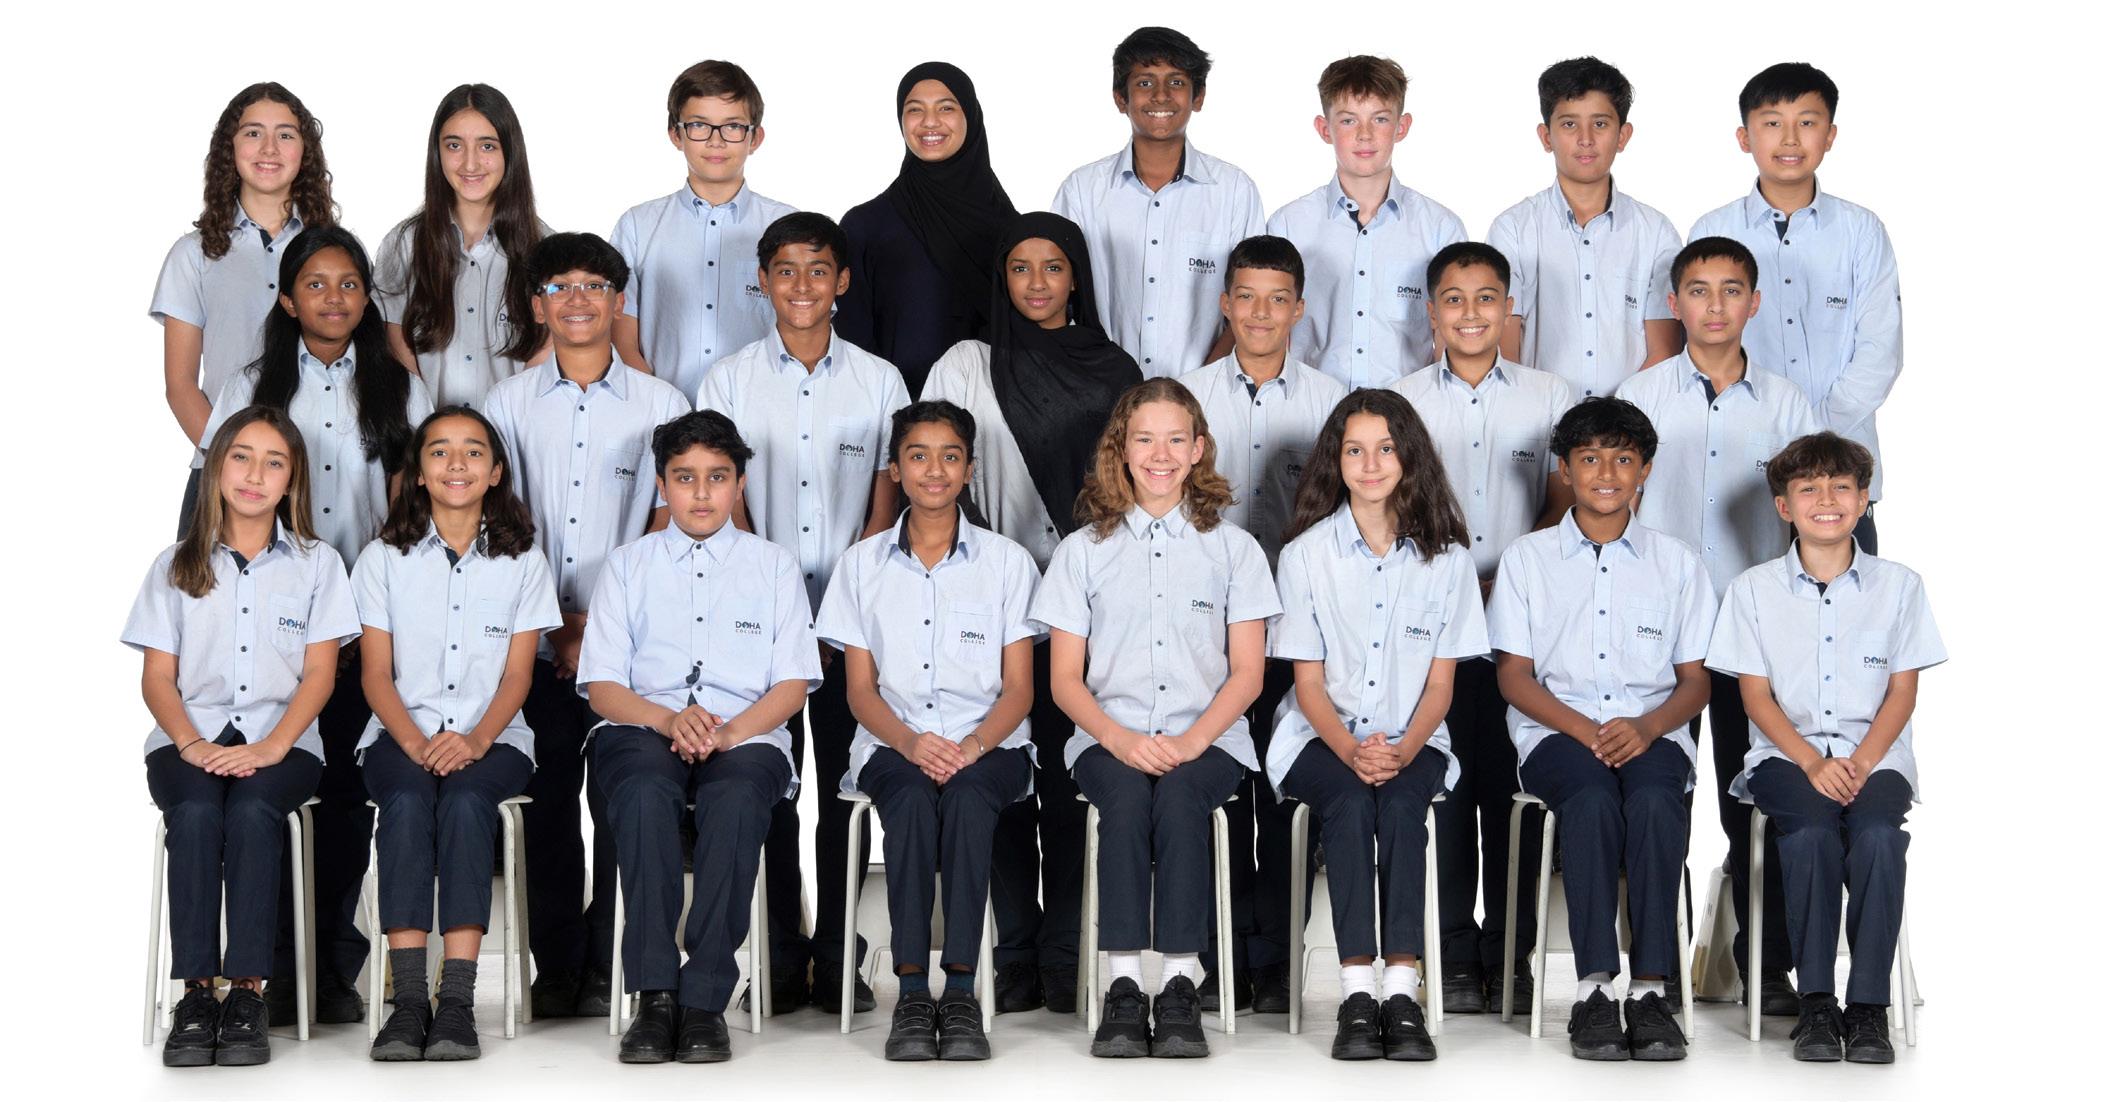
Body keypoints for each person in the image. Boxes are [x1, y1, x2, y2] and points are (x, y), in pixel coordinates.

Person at [196, 223, 435, 1024]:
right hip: (271, 616)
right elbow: (209, 495)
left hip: (364, 619)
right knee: (264, 793)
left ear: (368, 298)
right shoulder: (250, 383)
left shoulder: (397, 384)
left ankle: (332, 966)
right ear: (288, 298)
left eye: (349, 284)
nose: (334, 298)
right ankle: (262, 968)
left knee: (342, 800)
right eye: (315, 284)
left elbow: (420, 499)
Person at [923, 211, 1142, 1014]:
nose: (1037, 283)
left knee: (1073, 778)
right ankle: (1012, 950)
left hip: (1090, 602)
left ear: (1076, 276)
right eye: (1020, 268)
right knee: (1004, 772)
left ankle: (1066, 952)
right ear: (1000, 279)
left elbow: (1134, 484)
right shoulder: (966, 363)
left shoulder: (1112, 366)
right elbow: (934, 470)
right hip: (991, 597)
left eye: (1054, 266)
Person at [1030, 378, 1281, 1058]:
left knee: (1177, 801)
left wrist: (1193, 740)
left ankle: (1176, 985)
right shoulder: (1083, 550)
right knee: (1123, 801)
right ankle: (1121, 986)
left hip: (1210, 738)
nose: (1160, 454)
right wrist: (1119, 739)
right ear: (1121, 448)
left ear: (1198, 448)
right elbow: (1063, 680)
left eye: (1175, 439)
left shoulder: (1234, 551)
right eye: (1144, 439)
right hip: (1106, 735)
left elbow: (1248, 673)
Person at [696, 211, 909, 1012]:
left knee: (844, 793)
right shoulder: (728, 380)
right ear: (762, 281)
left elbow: (885, 502)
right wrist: (790, 615)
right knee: (774, 792)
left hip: (854, 624)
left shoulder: (879, 380)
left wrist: (840, 616)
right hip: (761, 623)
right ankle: (781, 956)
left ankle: (838, 958)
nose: (801, 285)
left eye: (818, 269)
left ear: (841, 281)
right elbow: (728, 502)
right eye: (784, 270)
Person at [483, 232, 691, 1019]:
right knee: (544, 804)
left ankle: (610, 959)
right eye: (560, 286)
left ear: (618, 301)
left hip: (627, 649)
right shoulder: (506, 404)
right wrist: (553, 626)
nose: (577, 300)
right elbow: (497, 520)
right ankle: (558, 965)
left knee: (621, 804)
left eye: (594, 286)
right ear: (539, 305)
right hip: (529, 645)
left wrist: (593, 628)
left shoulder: (661, 404)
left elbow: (666, 527)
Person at [1616, 235, 1821, 1012]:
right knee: (1657, 799)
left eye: (1730, 290)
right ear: (1674, 303)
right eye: (1697, 290)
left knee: (1754, 799)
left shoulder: (1785, 404)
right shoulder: (1640, 395)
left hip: (1750, 635)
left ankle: (1764, 966)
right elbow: (1609, 507)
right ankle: (1657, 968)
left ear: (1753, 302)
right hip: (1656, 634)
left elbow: (1809, 520)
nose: (1713, 305)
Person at [581, 411, 823, 1063]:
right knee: (642, 793)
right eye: (684, 477)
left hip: (746, 734)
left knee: (736, 800)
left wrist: (728, 731)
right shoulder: (626, 566)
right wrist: (667, 720)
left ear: (740, 484)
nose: (701, 493)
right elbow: (601, 686)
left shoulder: (774, 567)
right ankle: (656, 996)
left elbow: (792, 685)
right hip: (642, 726)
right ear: (661, 485)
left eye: (717, 477)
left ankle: (704, 1000)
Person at [129, 407, 359, 1067]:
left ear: (292, 480)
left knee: (255, 811)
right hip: (188, 737)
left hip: (284, 741)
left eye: (274, 462)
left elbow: (320, 674)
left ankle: (249, 993)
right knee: (198, 812)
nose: (255, 475)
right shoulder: (175, 564)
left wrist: (274, 746)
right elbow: (158, 678)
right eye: (241, 457)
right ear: (217, 468)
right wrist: (189, 744)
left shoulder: (318, 564)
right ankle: (197, 994)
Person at [1486, 398, 1714, 1061]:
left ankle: (1649, 990)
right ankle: (1592, 990)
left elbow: (1695, 680)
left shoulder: (1677, 563)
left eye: (1622, 459)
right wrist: (1587, 730)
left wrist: (1647, 727)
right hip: (1556, 731)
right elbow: (1514, 676)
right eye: (1589, 459)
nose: (1606, 473)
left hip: (1653, 731)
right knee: (1588, 800)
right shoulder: (1527, 559)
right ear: (1564, 470)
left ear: (1645, 470)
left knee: (1654, 803)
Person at [1708, 431, 1944, 1064]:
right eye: (1808, 488)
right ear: (1783, 506)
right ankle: (1815, 1001)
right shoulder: (1752, 590)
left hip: (1876, 757)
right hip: (1787, 757)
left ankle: (1867, 1008)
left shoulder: (1900, 587)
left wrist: (1860, 763)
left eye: (1841, 487)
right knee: (1810, 834)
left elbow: (1902, 692)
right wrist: (1812, 761)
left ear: (1864, 500)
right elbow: (1755, 696)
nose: (1827, 500)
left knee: (1877, 837)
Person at [816, 401, 1042, 1060]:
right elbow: (859, 691)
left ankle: (962, 992)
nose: (934, 469)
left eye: (950, 456)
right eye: (918, 455)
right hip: (894, 741)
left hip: (990, 743)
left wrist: (971, 746)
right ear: (894, 468)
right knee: (912, 801)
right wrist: (912, 743)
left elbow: (1019, 688)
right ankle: (913, 992)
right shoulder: (861, 566)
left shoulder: (1008, 563)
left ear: (969, 468)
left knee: (968, 800)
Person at [1269, 388, 1486, 1060]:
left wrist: (1400, 751)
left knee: (1399, 805)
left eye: (1386, 449)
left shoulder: (1447, 560)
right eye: (1355, 450)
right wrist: (1351, 750)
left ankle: (1401, 991)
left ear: (1409, 456)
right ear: (1335, 461)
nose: (1370, 465)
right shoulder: (1305, 555)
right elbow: (1307, 684)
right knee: (1347, 801)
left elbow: (1441, 685)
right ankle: (1357, 995)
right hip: (1319, 736)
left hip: (1413, 736)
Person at [1396, 241, 1574, 1015]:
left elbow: (1566, 496)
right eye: (1453, 299)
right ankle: (1452, 957)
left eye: (1485, 298)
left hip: (1518, 624)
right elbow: (1386, 500)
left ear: (1507, 309)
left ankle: (1511, 956)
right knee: (1444, 786)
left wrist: (1516, 573)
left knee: (1511, 791)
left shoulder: (1548, 394)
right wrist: (1446, 580)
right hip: (1429, 623)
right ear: (1431, 312)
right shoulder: (1399, 400)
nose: (1470, 313)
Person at [354, 407, 561, 1060]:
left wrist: (474, 741)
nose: (456, 464)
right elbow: (375, 673)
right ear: (418, 473)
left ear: (495, 472)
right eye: (439, 451)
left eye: (473, 451)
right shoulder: (382, 559)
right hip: (399, 734)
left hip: (495, 738)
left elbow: (519, 676)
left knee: (469, 802)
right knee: (407, 799)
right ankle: (410, 1000)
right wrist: (415, 743)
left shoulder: (523, 561)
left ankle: (457, 1003)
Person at [1179, 233, 1344, 1010]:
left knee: (1283, 795)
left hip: (1295, 628)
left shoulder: (1331, 403)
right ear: (1224, 304)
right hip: (1202, 629)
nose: (1259, 313)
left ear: (1299, 309)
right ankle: (1220, 958)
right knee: (1217, 790)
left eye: (1277, 299)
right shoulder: (1181, 399)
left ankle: (1276, 959)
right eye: (1245, 297)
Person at [1690, 63, 1901, 552]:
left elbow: (1880, 353)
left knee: (1842, 598)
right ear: (1745, 137)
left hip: (1839, 479)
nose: (1789, 138)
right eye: (1772, 123)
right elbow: (1702, 347)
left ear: (1830, 135)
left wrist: (1810, 441)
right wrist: (1769, 436)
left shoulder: (1861, 232)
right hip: (1740, 477)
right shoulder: (1713, 230)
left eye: (1806, 122)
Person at [152, 83, 337, 534]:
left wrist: (289, 473)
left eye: (285, 135)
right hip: (222, 478)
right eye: (253, 133)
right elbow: (180, 385)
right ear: (229, 148)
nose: (269, 148)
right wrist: (234, 466)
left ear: (305, 151)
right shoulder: (193, 255)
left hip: (317, 474)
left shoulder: (335, 254)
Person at [1053, 26, 1264, 376]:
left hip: (1202, 393)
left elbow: (1252, 301)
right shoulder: (1081, 191)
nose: (1161, 95)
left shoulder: (1234, 191)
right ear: (1121, 99)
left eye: (1176, 82)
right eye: (1145, 82)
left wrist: (1202, 386)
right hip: (1098, 388)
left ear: (1198, 97)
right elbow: (1058, 297)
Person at [1488, 57, 1683, 399]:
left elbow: (1664, 351)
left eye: (1600, 124)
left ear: (1623, 135)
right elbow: (1505, 348)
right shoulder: (1513, 229)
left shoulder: (1656, 233)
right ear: (1546, 136)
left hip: (1630, 423)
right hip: (1538, 418)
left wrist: (1614, 420)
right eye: (1569, 124)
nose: (1586, 139)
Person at [1267, 55, 1463, 388]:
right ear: (1324, 129)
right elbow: (1274, 333)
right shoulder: (1289, 226)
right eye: (1348, 121)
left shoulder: (1440, 229)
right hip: (1313, 408)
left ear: (1402, 127)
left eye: (1380, 119)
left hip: (1406, 409)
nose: (1365, 134)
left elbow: (1450, 337)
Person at [612, 60, 795, 396]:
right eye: (699, 125)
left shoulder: (786, 227)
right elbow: (622, 334)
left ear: (755, 138)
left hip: (759, 409)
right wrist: (660, 403)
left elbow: (806, 330)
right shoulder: (637, 226)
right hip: (663, 411)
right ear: (676, 134)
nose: (716, 141)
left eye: (733, 126)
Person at [836, 62, 1018, 397]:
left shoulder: (1012, 230)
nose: (929, 122)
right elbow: (851, 349)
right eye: (915, 109)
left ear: (970, 116)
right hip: (899, 415)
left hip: (996, 415)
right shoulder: (866, 226)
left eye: (946, 108)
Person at [375, 83, 548, 409]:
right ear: (436, 152)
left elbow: (547, 349)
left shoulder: (544, 248)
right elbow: (396, 346)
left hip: (512, 432)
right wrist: (426, 424)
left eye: (487, 146)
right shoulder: (403, 244)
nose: (470, 164)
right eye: (454, 145)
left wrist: (509, 422)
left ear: (510, 152)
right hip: (427, 434)